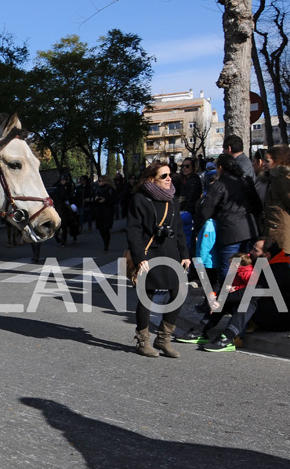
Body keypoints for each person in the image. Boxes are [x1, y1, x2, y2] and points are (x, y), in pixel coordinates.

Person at [126, 162, 191, 358]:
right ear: (151, 178)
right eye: (164, 176)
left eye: (170, 174)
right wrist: (139, 258)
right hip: (149, 254)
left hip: (170, 253)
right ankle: (142, 340)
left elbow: (179, 230)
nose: (169, 178)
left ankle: (163, 338)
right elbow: (134, 231)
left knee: (179, 292)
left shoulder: (172, 200)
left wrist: (185, 254)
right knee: (147, 296)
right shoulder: (139, 199)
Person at [202, 237, 290, 351]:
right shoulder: (260, 260)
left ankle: (228, 337)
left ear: (266, 254)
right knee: (231, 292)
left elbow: (254, 292)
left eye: (255, 250)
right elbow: (228, 279)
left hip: (281, 318)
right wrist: (214, 295)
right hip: (266, 308)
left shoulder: (281, 270)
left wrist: (221, 299)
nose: (250, 253)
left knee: (249, 299)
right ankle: (201, 329)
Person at [196, 153, 260, 288]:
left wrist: (199, 227)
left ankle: (226, 302)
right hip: (249, 230)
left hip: (230, 231)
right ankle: (244, 299)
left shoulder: (219, 185)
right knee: (247, 268)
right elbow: (257, 204)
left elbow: (206, 210)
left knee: (228, 270)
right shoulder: (246, 181)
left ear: (220, 167)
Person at [263, 144, 290, 248]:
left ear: (278, 161)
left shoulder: (281, 180)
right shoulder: (272, 178)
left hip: (280, 233)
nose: (263, 164)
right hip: (273, 231)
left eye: (267, 161)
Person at [94, 176, 117, 252]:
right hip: (98, 211)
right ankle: (105, 241)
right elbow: (92, 197)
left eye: (100, 181)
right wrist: (95, 199)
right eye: (98, 181)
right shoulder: (97, 189)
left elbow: (114, 200)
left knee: (106, 228)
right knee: (100, 228)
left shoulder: (111, 189)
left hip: (108, 211)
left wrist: (105, 200)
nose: (99, 182)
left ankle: (106, 245)